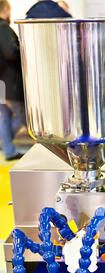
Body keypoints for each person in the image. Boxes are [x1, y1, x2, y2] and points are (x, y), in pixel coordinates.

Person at [0, 1, 25, 160]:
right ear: (5, 10)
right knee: (27, 119)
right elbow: (10, 52)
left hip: (2, 82)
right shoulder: (3, 28)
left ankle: (8, 150)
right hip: (10, 82)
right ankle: (8, 147)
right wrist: (23, 49)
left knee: (4, 116)